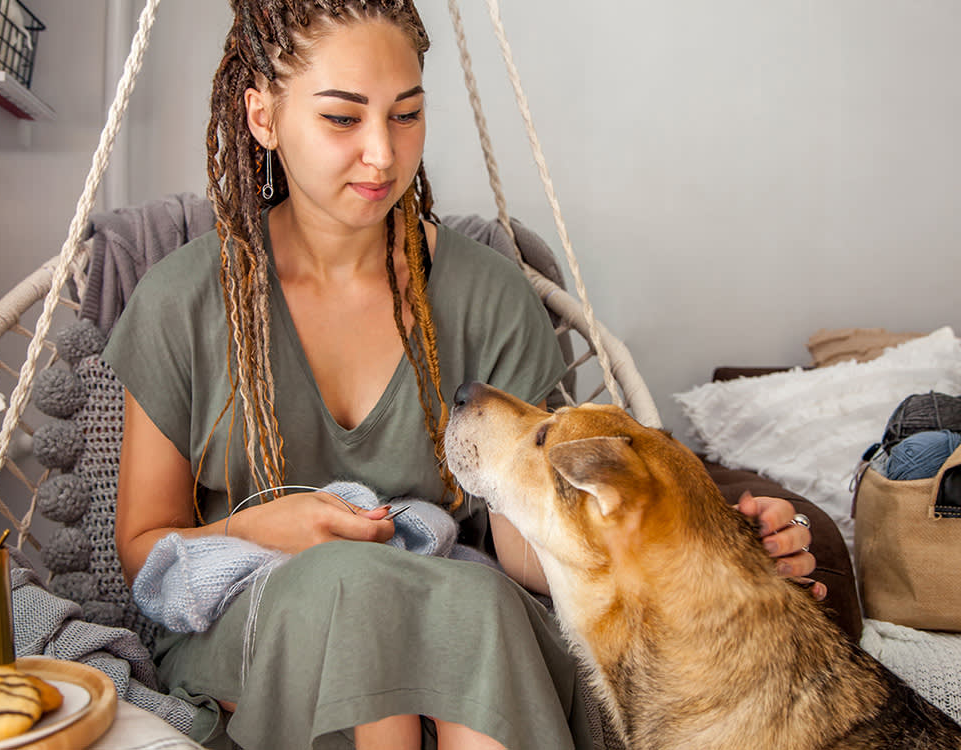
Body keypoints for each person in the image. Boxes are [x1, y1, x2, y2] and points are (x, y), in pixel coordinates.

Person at [105, 1, 817, 748]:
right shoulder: (181, 301)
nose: (382, 153)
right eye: (343, 119)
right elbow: (143, 547)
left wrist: (703, 545)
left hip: (456, 620)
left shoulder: (486, 294)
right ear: (263, 117)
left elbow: (521, 542)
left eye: (406, 115)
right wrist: (259, 529)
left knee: (478, 596)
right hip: (257, 633)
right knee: (351, 583)